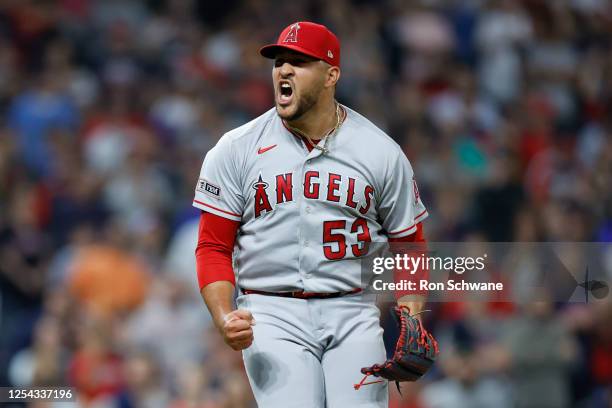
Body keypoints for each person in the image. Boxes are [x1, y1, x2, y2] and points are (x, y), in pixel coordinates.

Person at [193, 21, 430, 407]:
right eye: (278, 62)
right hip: (270, 310)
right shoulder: (235, 149)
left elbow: (410, 246)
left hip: (353, 309)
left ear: (331, 75)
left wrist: (412, 317)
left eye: (299, 62)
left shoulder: (380, 152)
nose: (283, 70)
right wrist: (223, 316)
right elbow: (211, 246)